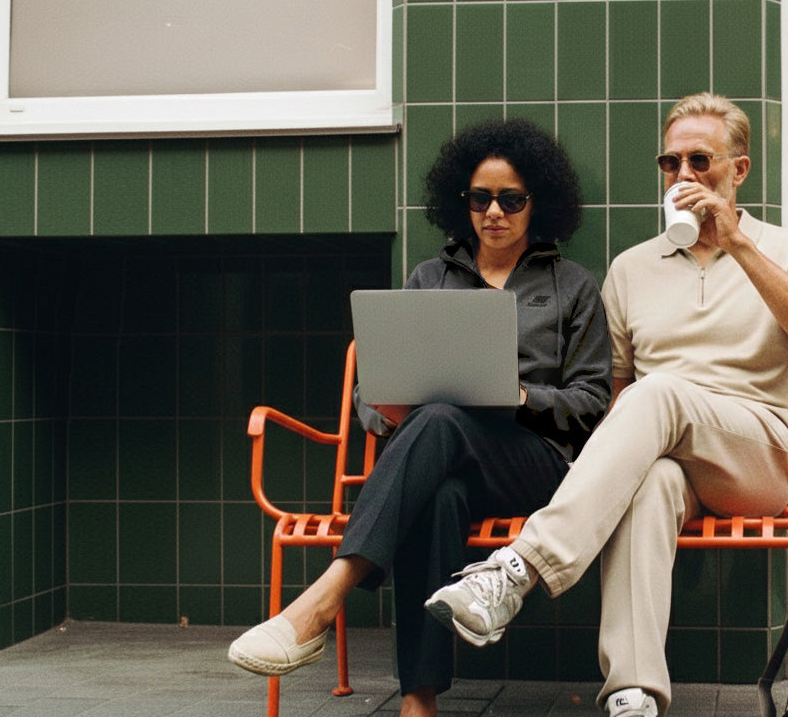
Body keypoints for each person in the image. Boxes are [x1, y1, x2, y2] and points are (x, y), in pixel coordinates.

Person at [425, 93, 788, 717]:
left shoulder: (787, 250)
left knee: (661, 390)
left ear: (740, 170)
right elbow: (616, 395)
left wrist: (737, 244)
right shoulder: (630, 270)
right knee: (649, 482)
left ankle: (518, 570)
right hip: (671, 447)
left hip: (760, 451)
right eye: (670, 163)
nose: (684, 176)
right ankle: (634, 692)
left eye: (700, 160)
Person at [227, 118, 613, 717]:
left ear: (538, 204)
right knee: (437, 489)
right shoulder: (430, 279)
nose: (494, 212)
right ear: (463, 202)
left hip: (535, 465)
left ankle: (324, 600)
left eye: (511, 199)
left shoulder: (573, 287)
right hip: (443, 455)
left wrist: (522, 398)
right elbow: (370, 395)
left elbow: (593, 402)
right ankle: (418, 700)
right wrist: (380, 408)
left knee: (435, 422)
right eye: (480, 198)